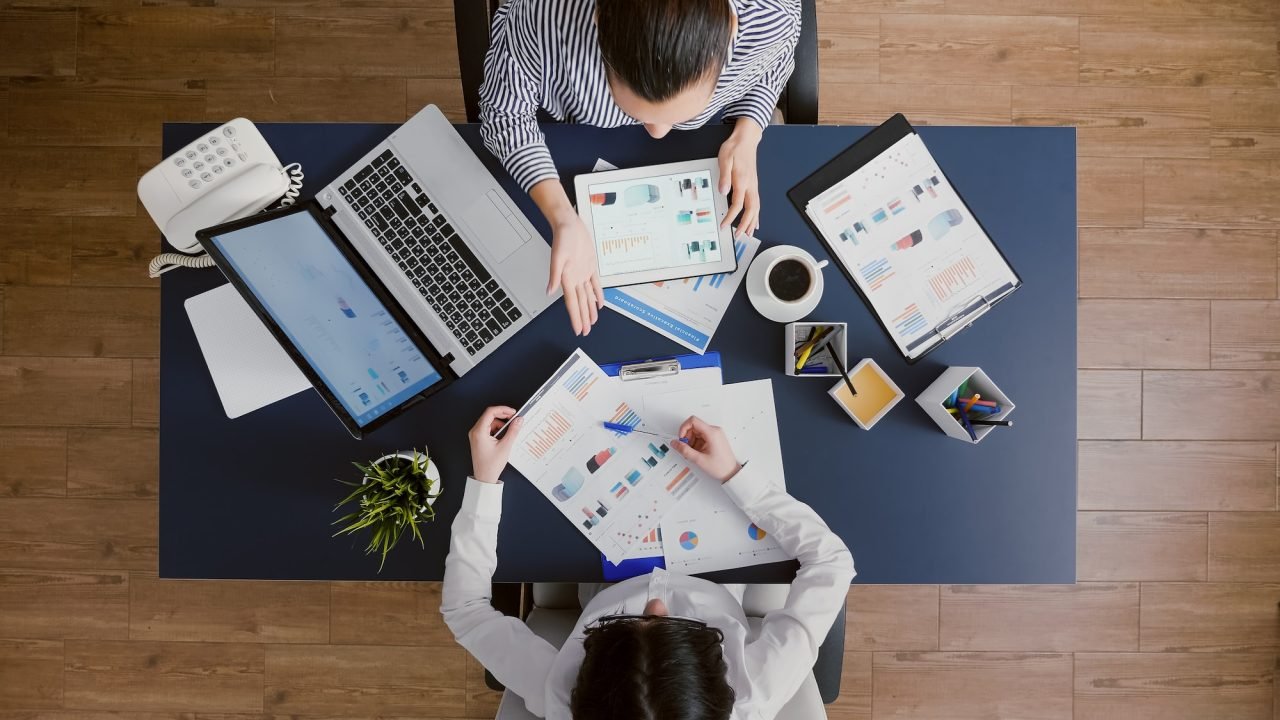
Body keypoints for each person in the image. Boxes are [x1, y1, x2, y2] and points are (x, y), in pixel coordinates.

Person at [442, 406, 855, 719]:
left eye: (624, 624)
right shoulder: (756, 691)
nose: (655, 605)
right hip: (721, 575)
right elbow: (831, 562)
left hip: (602, 581)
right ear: (721, 676)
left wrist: (484, 482)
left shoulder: (561, 694)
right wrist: (733, 474)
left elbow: (464, 611)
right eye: (685, 628)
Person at [479, 0, 803, 336]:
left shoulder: (770, 17)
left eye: (677, 114)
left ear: (732, 28)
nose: (658, 132)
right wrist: (561, 216)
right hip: (572, 140)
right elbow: (505, 116)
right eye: (639, 111)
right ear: (600, 19)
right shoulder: (543, 16)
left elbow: (776, 60)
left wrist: (749, 130)